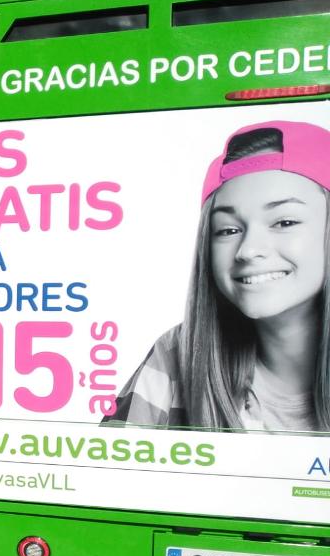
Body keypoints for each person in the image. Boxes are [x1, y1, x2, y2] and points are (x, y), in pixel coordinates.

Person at [107, 120, 330, 434]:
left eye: (284, 222)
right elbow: (104, 472)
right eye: (228, 230)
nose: (248, 250)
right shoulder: (177, 352)